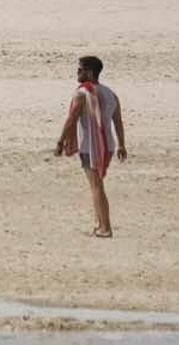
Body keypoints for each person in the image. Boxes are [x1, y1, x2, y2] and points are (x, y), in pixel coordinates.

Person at [55, 55, 127, 238]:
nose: (77, 72)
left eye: (80, 69)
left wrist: (60, 142)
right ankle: (98, 224)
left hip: (91, 146)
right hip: (108, 146)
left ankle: (105, 227)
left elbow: (71, 119)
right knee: (97, 185)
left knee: (96, 186)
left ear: (90, 72)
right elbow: (118, 122)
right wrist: (121, 145)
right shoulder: (111, 94)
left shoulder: (82, 94)